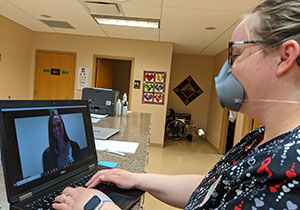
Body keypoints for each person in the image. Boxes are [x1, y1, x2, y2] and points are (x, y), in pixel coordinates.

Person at [53, 0, 300, 209]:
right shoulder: (260, 137)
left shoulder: (292, 170)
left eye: (235, 56)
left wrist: (99, 206)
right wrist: (137, 179)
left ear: (284, 56)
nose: (229, 69)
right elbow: (214, 188)